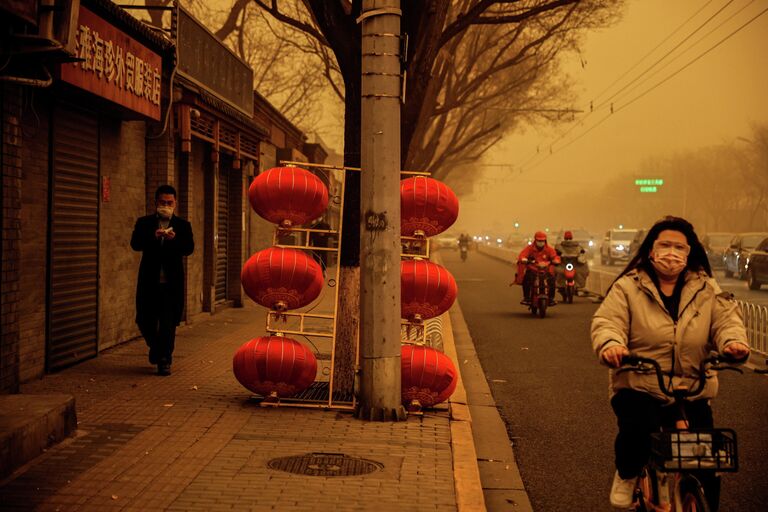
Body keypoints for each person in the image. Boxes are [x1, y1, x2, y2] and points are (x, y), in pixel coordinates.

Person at [590, 216, 749, 510]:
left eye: (679, 247)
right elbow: (607, 322)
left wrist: (733, 343)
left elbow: (727, 321)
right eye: (665, 245)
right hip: (640, 382)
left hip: (693, 386)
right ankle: (627, 475)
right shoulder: (628, 286)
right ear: (651, 249)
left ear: (690, 253)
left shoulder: (707, 288)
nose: (671, 253)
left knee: (706, 457)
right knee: (639, 429)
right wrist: (612, 345)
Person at [131, 185, 194, 376]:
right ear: (155, 203)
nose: (165, 206)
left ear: (175, 203)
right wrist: (153, 237)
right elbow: (135, 244)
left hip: (171, 284)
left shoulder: (183, 226)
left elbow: (189, 248)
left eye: (169, 203)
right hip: (149, 282)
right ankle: (156, 348)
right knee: (144, 319)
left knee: (168, 323)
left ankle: (164, 360)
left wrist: (174, 240)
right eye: (162, 202)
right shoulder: (144, 223)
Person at [515, 231, 560, 305]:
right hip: (533, 270)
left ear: (545, 241)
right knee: (526, 279)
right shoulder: (530, 248)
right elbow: (522, 255)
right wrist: (523, 259)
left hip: (545, 270)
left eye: (542, 241)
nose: (541, 242)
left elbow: (555, 257)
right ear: (535, 240)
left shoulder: (549, 249)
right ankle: (526, 298)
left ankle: (551, 298)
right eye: (539, 241)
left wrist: (556, 260)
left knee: (552, 280)